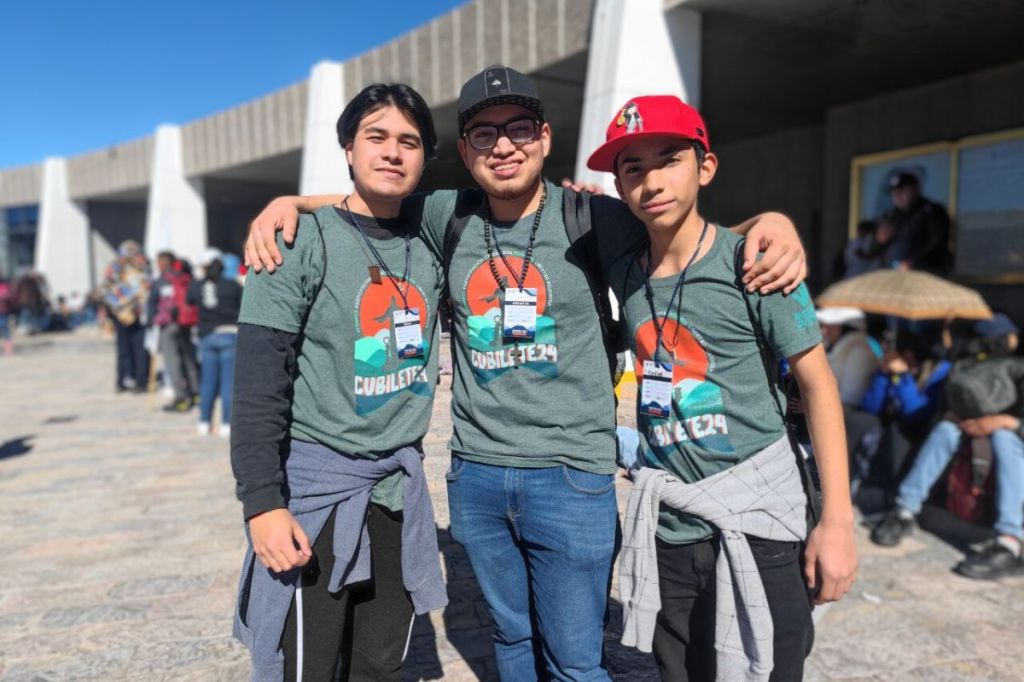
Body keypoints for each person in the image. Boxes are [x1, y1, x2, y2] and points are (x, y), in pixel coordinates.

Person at [244, 66, 810, 681]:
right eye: (484, 134)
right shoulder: (447, 216)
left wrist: (770, 224)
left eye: (518, 128)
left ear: (543, 136)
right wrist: (291, 202)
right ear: (464, 152)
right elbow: (371, 200)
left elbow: (685, 229)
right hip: (478, 476)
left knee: (575, 660)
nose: (504, 145)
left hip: (571, 478)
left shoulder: (593, 218)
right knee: (510, 640)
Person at [586, 95, 856, 681]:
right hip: (671, 530)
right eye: (633, 167)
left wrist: (837, 522)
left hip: (759, 527)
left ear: (705, 167)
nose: (652, 180)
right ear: (618, 184)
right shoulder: (625, 269)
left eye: (670, 159)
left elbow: (820, 387)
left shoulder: (759, 269)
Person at [231, 83, 447, 682]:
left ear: (425, 158)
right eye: (375, 137)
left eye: (409, 142)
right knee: (308, 664)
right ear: (348, 148)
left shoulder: (428, 241)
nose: (392, 153)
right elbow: (257, 389)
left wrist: (291, 195)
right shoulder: (298, 243)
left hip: (396, 493)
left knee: (381, 662)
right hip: (316, 495)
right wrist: (262, 505)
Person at [870, 314, 1024, 579]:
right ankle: (904, 510)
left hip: (1009, 435)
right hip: (970, 428)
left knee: (1004, 439)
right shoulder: (968, 366)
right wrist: (956, 415)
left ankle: (1009, 542)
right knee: (945, 430)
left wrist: (1007, 422)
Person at [187, 248, 242, 438]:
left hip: (207, 335)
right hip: (230, 334)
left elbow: (189, 301)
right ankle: (226, 424)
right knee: (228, 383)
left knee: (208, 382)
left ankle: (204, 421)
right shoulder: (233, 285)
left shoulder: (196, 285)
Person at [148, 251, 200, 411]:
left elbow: (152, 304)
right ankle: (195, 392)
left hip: (167, 325)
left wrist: (151, 323)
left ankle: (181, 397)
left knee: (172, 361)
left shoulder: (160, 281)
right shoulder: (184, 278)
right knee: (188, 357)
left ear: (163, 263)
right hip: (185, 323)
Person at [875, 172, 951, 274]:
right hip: (892, 276)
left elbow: (938, 244)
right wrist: (878, 241)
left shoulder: (931, 212)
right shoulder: (890, 216)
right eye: (894, 192)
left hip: (923, 275)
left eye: (902, 190)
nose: (897, 195)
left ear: (915, 189)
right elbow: (872, 250)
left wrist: (913, 262)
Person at [101, 241, 151, 392]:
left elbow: (145, 288)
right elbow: (106, 289)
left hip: (138, 313)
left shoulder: (141, 268)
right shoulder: (114, 269)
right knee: (124, 349)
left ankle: (140, 379)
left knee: (140, 348)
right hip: (121, 314)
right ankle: (123, 379)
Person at [817, 307, 879, 407]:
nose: (825, 330)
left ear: (846, 328)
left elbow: (850, 399)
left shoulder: (860, 353)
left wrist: (815, 404)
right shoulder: (831, 347)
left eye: (832, 325)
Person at [0, 276, 13, 355]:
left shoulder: (5, 287)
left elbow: (10, 298)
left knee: (4, 326)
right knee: (4, 327)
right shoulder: (6, 287)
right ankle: (8, 343)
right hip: (4, 310)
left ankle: (8, 344)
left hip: (3, 311)